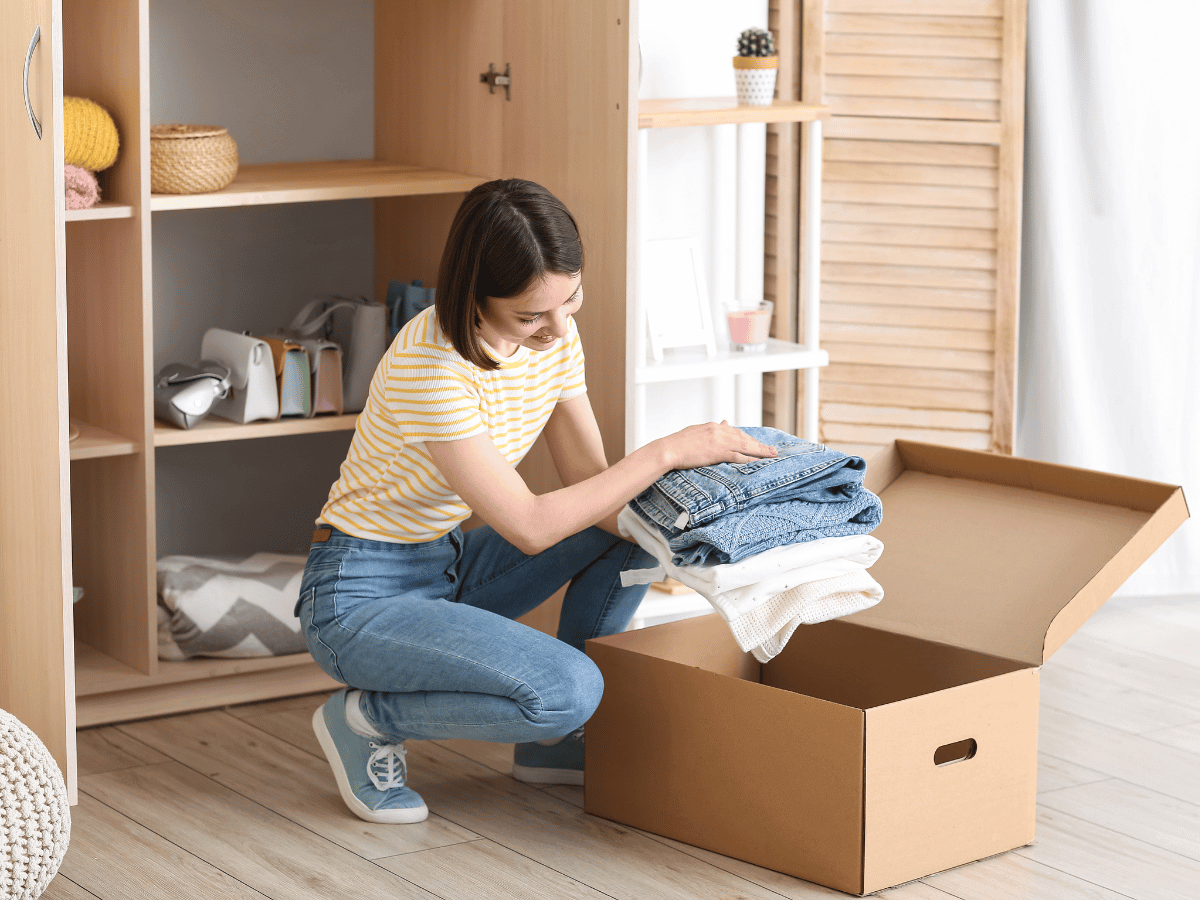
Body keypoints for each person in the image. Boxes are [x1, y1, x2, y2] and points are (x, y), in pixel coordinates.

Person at [296, 178, 776, 824]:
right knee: (570, 687)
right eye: (531, 316)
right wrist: (667, 451)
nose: (556, 329)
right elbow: (529, 525)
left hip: (446, 565)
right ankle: (367, 719)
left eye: (569, 302)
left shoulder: (555, 338)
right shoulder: (434, 370)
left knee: (630, 526)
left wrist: (702, 526)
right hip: (358, 596)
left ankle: (552, 745)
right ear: (476, 295)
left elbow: (592, 486)